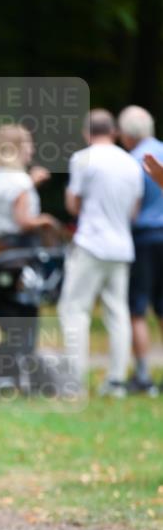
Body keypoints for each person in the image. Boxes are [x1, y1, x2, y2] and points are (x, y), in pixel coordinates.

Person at [59, 109, 144, 397]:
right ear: (114, 132)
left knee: (74, 310)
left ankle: (75, 380)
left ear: (86, 132)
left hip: (91, 243)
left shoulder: (83, 159)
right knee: (118, 312)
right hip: (122, 246)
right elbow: (134, 210)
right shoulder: (131, 162)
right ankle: (116, 380)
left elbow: (73, 204)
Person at [117, 105, 163, 394]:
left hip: (143, 238)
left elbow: (129, 207)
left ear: (127, 134)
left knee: (137, 308)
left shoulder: (131, 161)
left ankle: (143, 375)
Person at [0, 123, 59, 248]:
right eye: (29, 144)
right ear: (17, 147)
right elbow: (24, 223)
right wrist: (46, 220)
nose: (32, 150)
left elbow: (8, 202)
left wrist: (30, 183)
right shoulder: (20, 180)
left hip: (0, 244)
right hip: (23, 245)